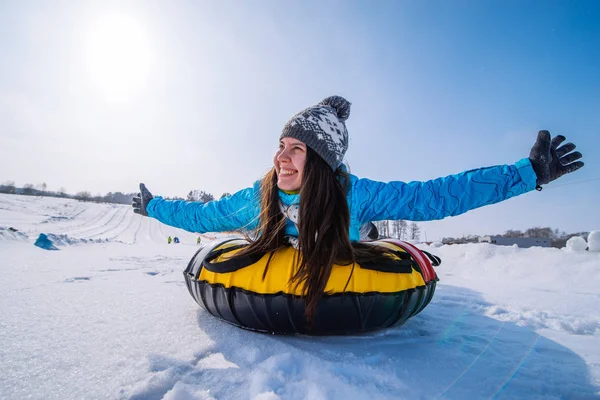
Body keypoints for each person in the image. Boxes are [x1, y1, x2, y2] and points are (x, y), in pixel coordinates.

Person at [133, 95, 584, 323]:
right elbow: (202, 215)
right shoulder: (260, 198)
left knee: (370, 241)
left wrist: (527, 173)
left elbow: (433, 195)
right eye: (280, 146)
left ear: (324, 161)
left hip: (350, 253)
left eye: (296, 149)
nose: (281, 158)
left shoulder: (356, 194)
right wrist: (153, 207)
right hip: (281, 265)